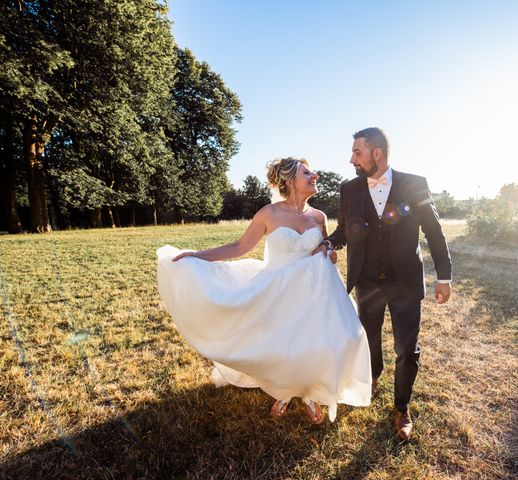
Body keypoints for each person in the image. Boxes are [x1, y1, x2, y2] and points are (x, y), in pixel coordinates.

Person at [156, 157, 371, 424]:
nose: (315, 175)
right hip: (278, 289)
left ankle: (309, 393)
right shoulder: (269, 213)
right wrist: (197, 256)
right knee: (281, 345)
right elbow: (239, 247)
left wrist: (328, 251)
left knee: (323, 339)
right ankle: (284, 390)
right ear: (290, 180)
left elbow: (326, 245)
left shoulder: (319, 216)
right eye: (307, 172)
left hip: (315, 289)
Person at [315, 127, 452, 439]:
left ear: (376, 153)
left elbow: (434, 232)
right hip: (366, 282)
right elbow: (345, 230)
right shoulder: (349, 189)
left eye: (357, 152)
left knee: (407, 349)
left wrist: (444, 276)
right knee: (369, 340)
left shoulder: (414, 184)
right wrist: (328, 244)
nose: (351, 159)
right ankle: (372, 377)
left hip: (404, 283)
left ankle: (401, 407)